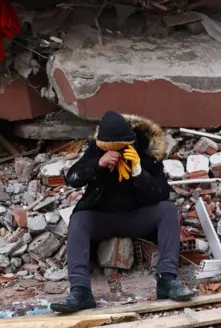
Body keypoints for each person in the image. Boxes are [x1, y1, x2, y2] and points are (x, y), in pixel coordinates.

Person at [50, 110, 195, 313]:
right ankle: (80, 290)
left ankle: (167, 280)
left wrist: (138, 171)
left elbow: (162, 192)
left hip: (137, 217)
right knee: (79, 219)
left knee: (168, 211)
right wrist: (98, 165)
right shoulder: (97, 149)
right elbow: (73, 178)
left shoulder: (143, 149)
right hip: (103, 219)